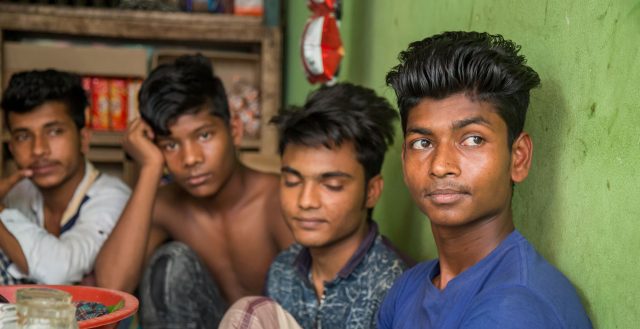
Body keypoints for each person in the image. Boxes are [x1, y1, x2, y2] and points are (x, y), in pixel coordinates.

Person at [377, 31, 592, 328]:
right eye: (422, 143)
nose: (440, 166)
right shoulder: (407, 290)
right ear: (403, 159)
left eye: (473, 139)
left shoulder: (516, 306)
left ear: (518, 157)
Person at [94, 54, 293, 328]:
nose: (190, 159)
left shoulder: (278, 198)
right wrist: (151, 168)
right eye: (171, 145)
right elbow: (110, 290)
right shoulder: (166, 207)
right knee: (171, 263)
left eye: (204, 136)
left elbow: (312, 304)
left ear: (235, 130)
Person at [219, 83, 409, 329]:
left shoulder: (394, 286)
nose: (305, 201)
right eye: (292, 181)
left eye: (331, 184)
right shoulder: (283, 270)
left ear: (371, 192)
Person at [0, 69, 130, 285]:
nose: (39, 149)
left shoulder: (113, 197)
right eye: (24, 136)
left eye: (54, 132)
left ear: (84, 139)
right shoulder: (16, 194)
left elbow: (59, 271)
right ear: (12, 148)